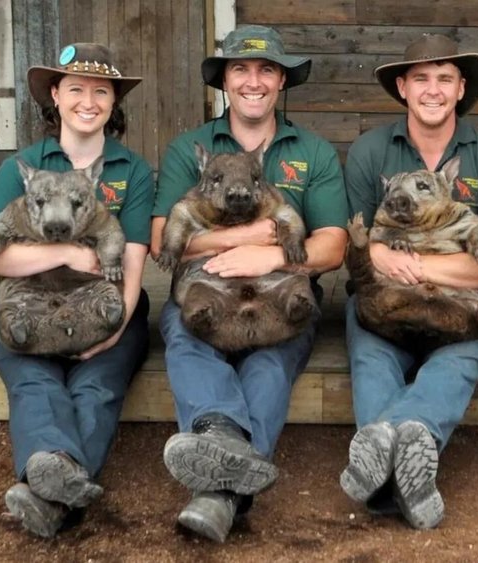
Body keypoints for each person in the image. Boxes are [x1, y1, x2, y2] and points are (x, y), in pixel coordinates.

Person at [150, 25, 349, 543]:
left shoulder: (314, 151)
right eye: (241, 69)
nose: (253, 81)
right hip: (205, 291)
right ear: (225, 80)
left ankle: (218, 490)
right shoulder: (189, 147)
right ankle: (223, 441)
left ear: (281, 80)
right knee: (185, 332)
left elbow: (332, 247)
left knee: (271, 358)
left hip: (280, 293)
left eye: (266, 70)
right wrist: (242, 239)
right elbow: (162, 240)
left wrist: (266, 249)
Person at [0, 43, 154, 538]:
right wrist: (68, 255)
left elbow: (132, 258)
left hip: (106, 305)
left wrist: (116, 329)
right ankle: (61, 479)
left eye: (101, 91)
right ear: (56, 95)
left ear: (114, 102)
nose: (88, 101)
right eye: (75, 89)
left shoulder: (131, 170)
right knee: (35, 383)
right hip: (27, 303)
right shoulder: (21, 166)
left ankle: (46, 493)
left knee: (97, 387)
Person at [340, 34, 478, 529]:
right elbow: (356, 245)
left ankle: (388, 454)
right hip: (384, 303)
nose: (433, 90)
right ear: (402, 87)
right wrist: (380, 257)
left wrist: (417, 267)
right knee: (372, 360)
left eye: (445, 78)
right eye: (421, 78)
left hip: (461, 304)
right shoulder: (371, 150)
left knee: (456, 363)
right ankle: (404, 470)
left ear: (461, 89)